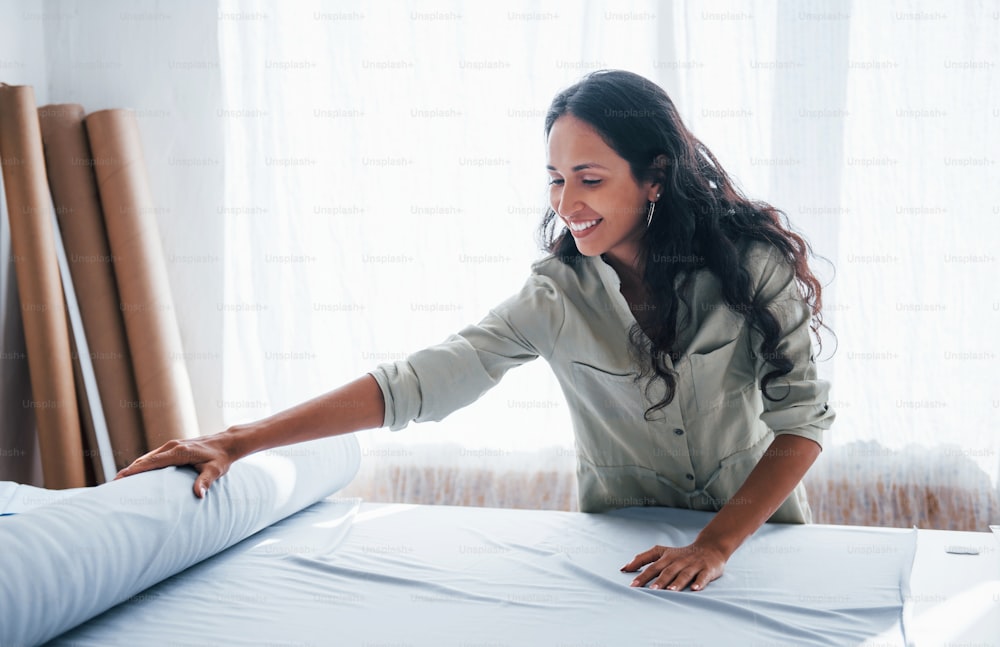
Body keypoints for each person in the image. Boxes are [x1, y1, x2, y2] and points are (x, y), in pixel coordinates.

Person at [115, 69, 835, 593]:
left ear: (653, 177)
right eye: (555, 179)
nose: (567, 202)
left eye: (589, 177)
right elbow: (421, 382)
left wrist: (714, 546)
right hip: (620, 558)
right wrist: (237, 440)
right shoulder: (555, 295)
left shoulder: (749, 265)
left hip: (752, 544)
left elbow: (800, 423)